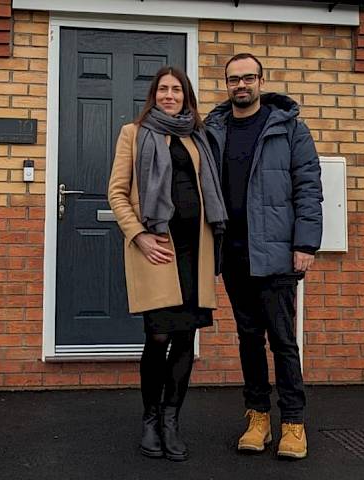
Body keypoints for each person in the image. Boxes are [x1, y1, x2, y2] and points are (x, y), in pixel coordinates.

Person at [205, 53, 323, 460]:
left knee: (283, 341)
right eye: (234, 79)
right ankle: (257, 418)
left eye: (248, 78)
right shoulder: (214, 130)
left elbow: (308, 188)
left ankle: (293, 422)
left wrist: (305, 244)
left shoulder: (289, 129)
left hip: (276, 255)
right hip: (234, 255)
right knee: (249, 340)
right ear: (227, 83)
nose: (241, 85)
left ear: (260, 81)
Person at [108, 66, 227, 462]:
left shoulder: (197, 135)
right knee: (158, 336)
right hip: (157, 248)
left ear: (186, 96)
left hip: (197, 248)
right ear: (153, 95)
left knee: (185, 338)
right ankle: (150, 419)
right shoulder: (134, 133)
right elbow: (116, 193)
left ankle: (172, 421)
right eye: (163, 89)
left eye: (177, 89)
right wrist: (138, 235)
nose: (170, 95)